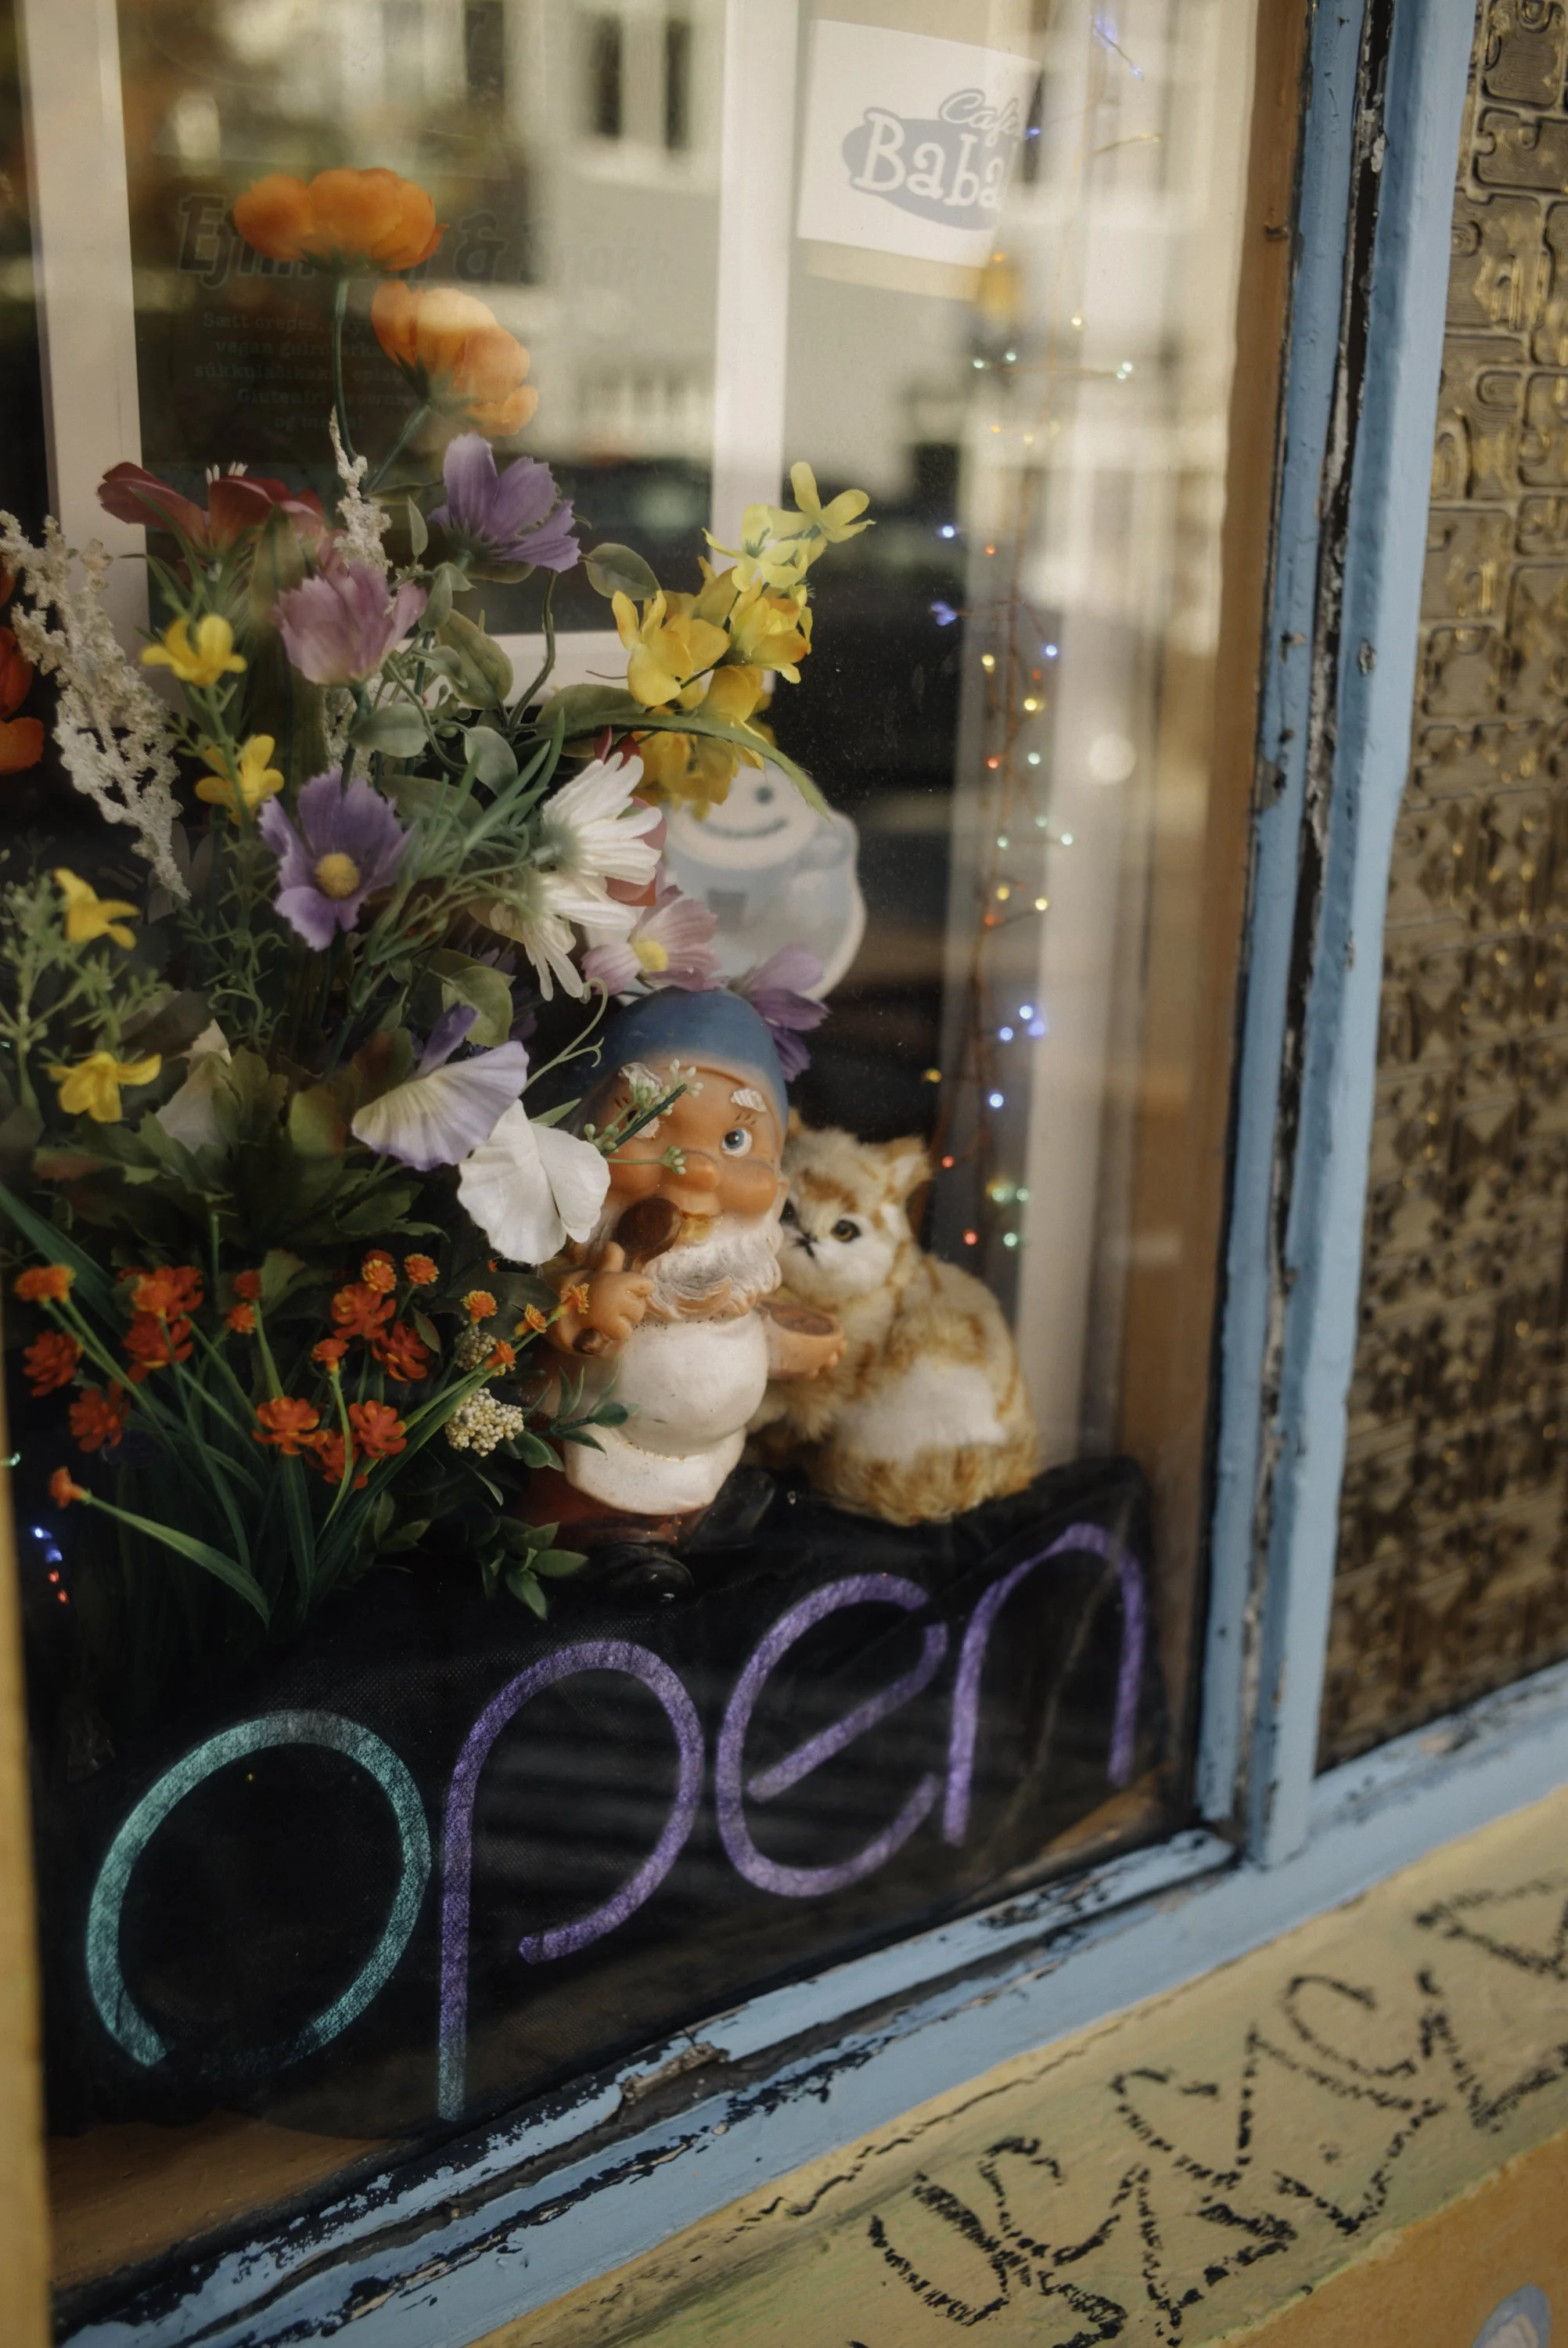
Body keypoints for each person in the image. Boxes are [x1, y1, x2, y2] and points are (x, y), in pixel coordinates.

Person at [530, 989, 843, 1599]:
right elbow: (522, 1322)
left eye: (736, 1142)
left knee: (728, 1498)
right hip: (597, 1471)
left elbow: (740, 1319)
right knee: (588, 1519)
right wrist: (580, 1312)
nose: (696, 1170)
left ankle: (697, 1522)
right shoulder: (574, 1267)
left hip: (713, 1457)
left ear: (778, 1177)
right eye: (647, 1125)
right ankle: (617, 1548)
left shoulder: (736, 1279)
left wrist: (779, 1348)